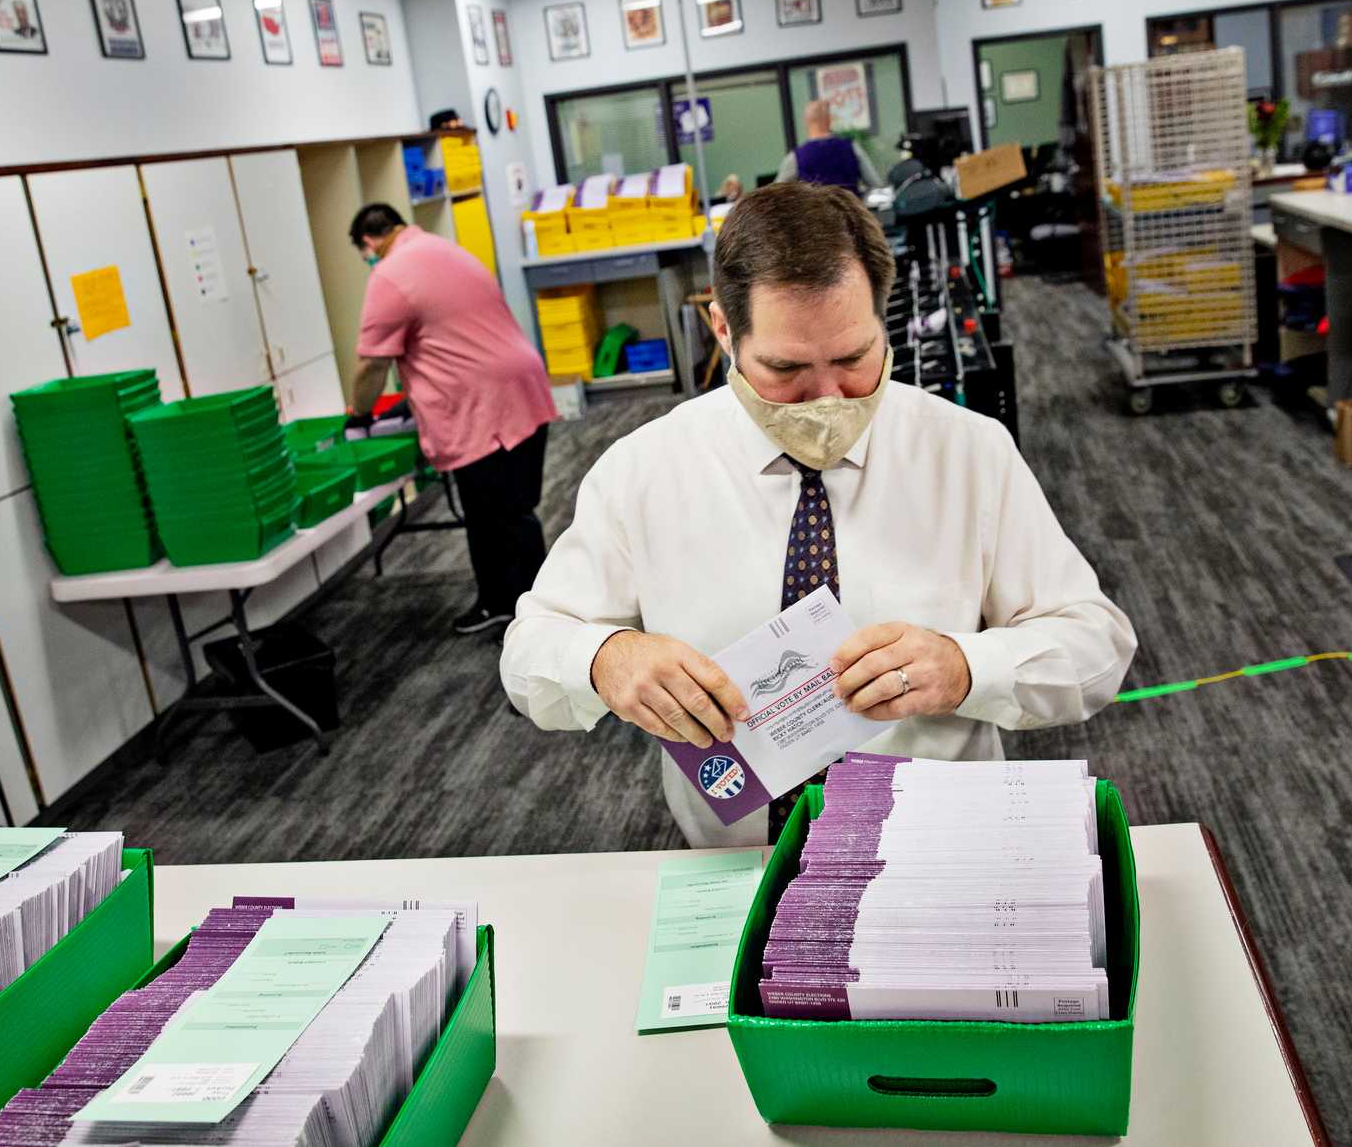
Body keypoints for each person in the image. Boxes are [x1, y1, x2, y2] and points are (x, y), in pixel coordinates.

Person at [500, 183, 1136, 847]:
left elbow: (1098, 643)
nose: (827, 398)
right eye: (786, 369)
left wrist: (966, 667)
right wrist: (606, 656)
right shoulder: (644, 472)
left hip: (937, 854)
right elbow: (528, 654)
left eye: (855, 358)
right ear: (723, 329)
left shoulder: (968, 452)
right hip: (741, 864)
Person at [349, 202, 557, 635]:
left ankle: (524, 614)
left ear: (369, 242)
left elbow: (371, 365)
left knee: (498, 514)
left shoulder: (388, 274)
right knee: (506, 510)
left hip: (481, 406)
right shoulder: (447, 250)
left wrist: (360, 414)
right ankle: (522, 604)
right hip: (521, 386)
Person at [775, 100, 885, 195]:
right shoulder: (851, 147)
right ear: (829, 120)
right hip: (850, 216)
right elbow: (875, 183)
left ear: (807, 122)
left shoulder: (796, 157)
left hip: (815, 218)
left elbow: (775, 194)